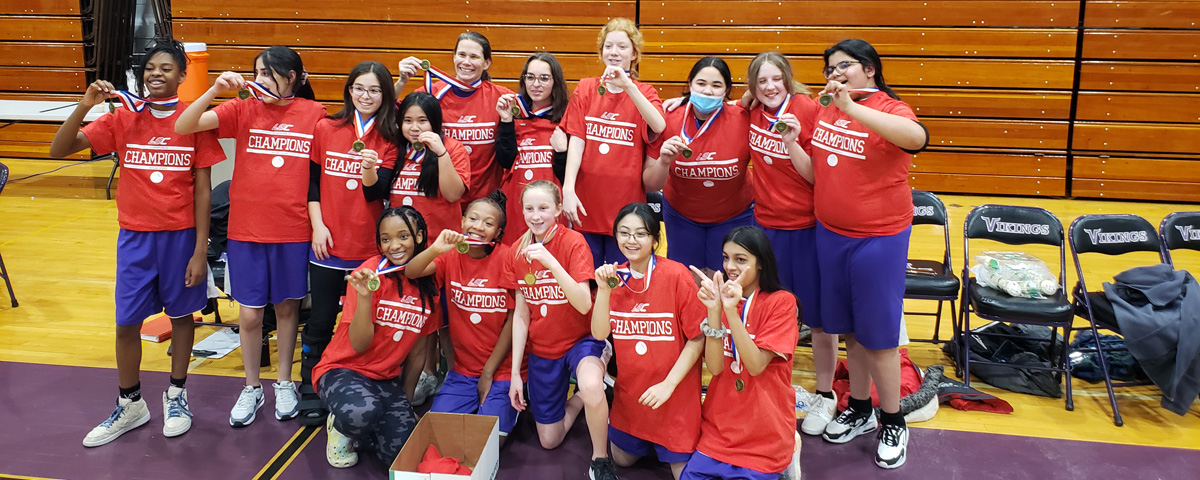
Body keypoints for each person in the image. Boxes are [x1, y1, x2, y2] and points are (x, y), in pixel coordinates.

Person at [50, 39, 224, 447]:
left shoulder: (193, 121)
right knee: (126, 323)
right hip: (135, 238)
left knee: (183, 317)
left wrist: (201, 250)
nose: (156, 74)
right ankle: (131, 403)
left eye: (166, 68)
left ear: (183, 76)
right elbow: (60, 149)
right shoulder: (123, 118)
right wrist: (86, 103)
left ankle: (177, 395)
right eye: (150, 68)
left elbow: (203, 191)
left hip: (181, 239)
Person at [175, 45, 326, 427]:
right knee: (250, 313)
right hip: (247, 230)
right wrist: (214, 90)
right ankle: (251, 387)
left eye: (267, 73)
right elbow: (184, 125)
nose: (258, 80)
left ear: (292, 77)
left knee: (289, 308)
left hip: (292, 229)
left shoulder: (315, 114)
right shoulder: (243, 108)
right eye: (256, 72)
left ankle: (284, 382)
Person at [811, 39, 929, 470]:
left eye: (844, 65)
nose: (835, 73)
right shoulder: (825, 106)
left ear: (870, 70)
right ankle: (859, 408)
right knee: (850, 331)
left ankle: (892, 419)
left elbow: (917, 139)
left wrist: (853, 107)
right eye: (830, 67)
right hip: (831, 233)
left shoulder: (889, 108)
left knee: (878, 336)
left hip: (878, 238)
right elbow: (817, 169)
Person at [742, 52, 841, 437]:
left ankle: (825, 394)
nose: (769, 87)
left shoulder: (807, 109)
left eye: (775, 79)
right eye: (761, 81)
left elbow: (817, 176)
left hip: (807, 227)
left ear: (787, 78)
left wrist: (791, 141)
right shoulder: (750, 110)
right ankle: (768, 387)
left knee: (817, 317)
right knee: (767, 312)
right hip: (766, 227)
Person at [299, 60, 401, 426]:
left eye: (374, 90)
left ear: (385, 94)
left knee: (362, 326)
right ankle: (310, 388)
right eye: (359, 88)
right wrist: (317, 226)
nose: (365, 95)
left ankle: (359, 386)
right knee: (320, 322)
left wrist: (370, 168)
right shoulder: (326, 127)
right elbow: (311, 183)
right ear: (349, 90)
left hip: (368, 251)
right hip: (328, 244)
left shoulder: (390, 137)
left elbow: (378, 191)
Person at [504, 180, 618, 480]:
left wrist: (552, 262)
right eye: (529, 208)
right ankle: (581, 397)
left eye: (543, 208)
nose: (536, 215)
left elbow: (583, 304)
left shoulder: (573, 242)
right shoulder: (516, 251)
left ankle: (600, 458)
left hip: (582, 341)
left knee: (593, 384)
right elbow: (521, 316)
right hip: (543, 348)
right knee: (549, 440)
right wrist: (517, 373)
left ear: (558, 210)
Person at [312, 207, 440, 469]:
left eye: (403, 236)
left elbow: (417, 352)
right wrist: (364, 297)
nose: (394, 245)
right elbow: (359, 345)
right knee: (361, 412)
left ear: (418, 237)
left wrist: (403, 402)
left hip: (386, 379)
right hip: (343, 370)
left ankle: (368, 425)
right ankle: (341, 427)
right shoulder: (369, 274)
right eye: (385, 239)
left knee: (403, 453)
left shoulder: (428, 286)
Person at [591, 203, 705, 479]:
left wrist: (669, 384)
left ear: (655, 239)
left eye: (641, 234)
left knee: (684, 474)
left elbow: (697, 338)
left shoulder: (677, 276)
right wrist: (604, 292)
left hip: (674, 397)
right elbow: (598, 333)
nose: (631, 240)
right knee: (622, 458)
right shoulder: (613, 277)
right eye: (624, 233)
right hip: (633, 398)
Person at [682, 226, 801, 480]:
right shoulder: (721, 300)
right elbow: (715, 369)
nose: (730, 266)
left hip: (765, 434)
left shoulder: (781, 302)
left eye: (740, 259)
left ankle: (791, 446)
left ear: (760, 263)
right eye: (726, 258)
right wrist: (714, 311)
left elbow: (756, 365)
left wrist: (732, 311)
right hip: (720, 430)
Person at [403, 190, 521, 444]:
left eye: (488, 224)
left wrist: (489, 372)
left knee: (486, 442)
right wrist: (436, 248)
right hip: (464, 372)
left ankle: (510, 404)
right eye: (473, 219)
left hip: (501, 370)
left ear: (498, 233)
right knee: (442, 436)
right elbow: (412, 272)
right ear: (462, 221)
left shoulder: (508, 258)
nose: (478, 227)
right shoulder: (451, 254)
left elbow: (514, 320)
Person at [561, 17, 666, 267]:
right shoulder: (586, 88)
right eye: (608, 46)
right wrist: (568, 188)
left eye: (622, 47)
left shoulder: (645, 92)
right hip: (586, 203)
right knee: (587, 279)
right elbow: (577, 141)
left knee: (623, 281)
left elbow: (659, 125)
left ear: (634, 54)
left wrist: (628, 86)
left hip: (627, 208)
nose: (614, 52)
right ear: (601, 51)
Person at [644, 56, 753, 276]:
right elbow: (650, 184)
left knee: (724, 283)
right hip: (682, 217)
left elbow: (761, 93)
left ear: (726, 91)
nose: (708, 91)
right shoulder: (668, 118)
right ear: (690, 85)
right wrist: (664, 161)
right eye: (701, 83)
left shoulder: (743, 117)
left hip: (734, 216)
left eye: (716, 85)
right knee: (688, 281)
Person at [394, 32, 512, 205]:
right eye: (462, 55)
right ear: (454, 57)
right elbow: (386, 115)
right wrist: (401, 81)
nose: (466, 62)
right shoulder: (431, 93)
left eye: (474, 57)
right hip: (441, 200)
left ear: (486, 63)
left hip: (484, 205)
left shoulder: (501, 97)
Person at [494, 52, 570, 245]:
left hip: (552, 209)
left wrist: (562, 153)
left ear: (556, 82)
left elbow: (571, 177)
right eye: (530, 77)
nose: (536, 84)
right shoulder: (515, 116)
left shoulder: (567, 120)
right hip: (517, 207)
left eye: (544, 78)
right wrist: (505, 121)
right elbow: (504, 161)